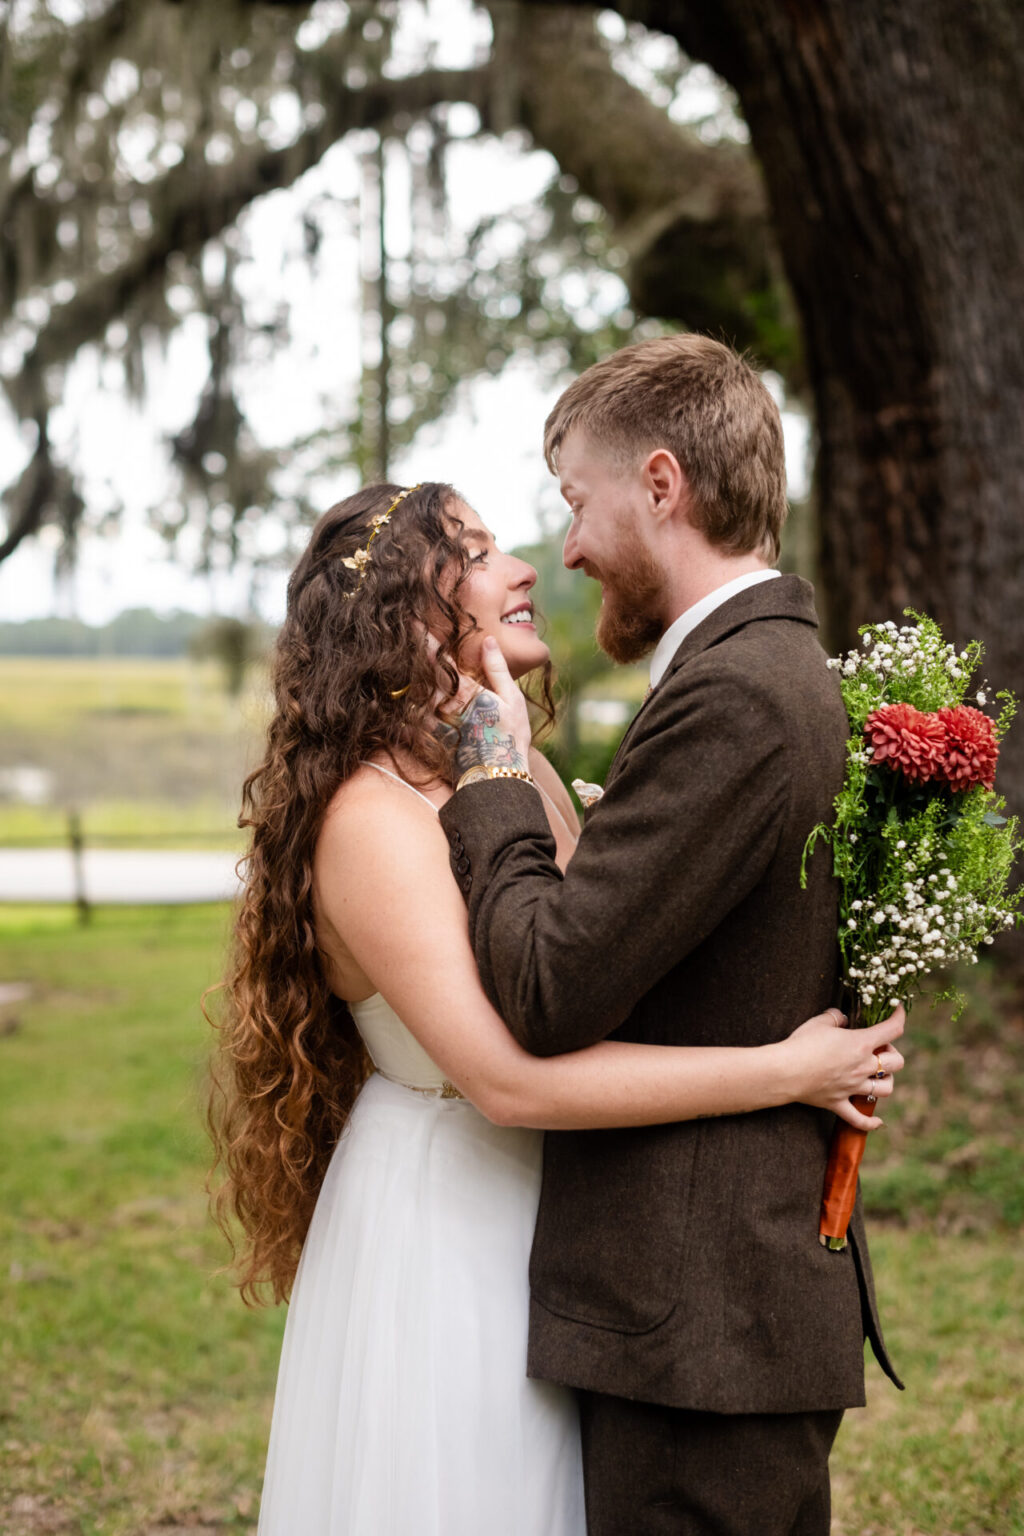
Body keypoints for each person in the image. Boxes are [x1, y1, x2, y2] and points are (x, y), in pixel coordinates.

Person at [207, 478, 905, 1536]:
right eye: (479, 554)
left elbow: (587, 980)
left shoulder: (511, 765)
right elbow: (503, 1079)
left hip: (578, 1222)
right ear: (405, 608)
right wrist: (787, 1071)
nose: (528, 567)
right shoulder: (369, 818)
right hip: (451, 1221)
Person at [439, 334, 904, 1536]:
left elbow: (546, 986)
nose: (573, 551)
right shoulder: (778, 673)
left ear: (659, 485)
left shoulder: (735, 696)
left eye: (575, 505)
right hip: (725, 1309)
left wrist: (491, 772)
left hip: (700, 1321)